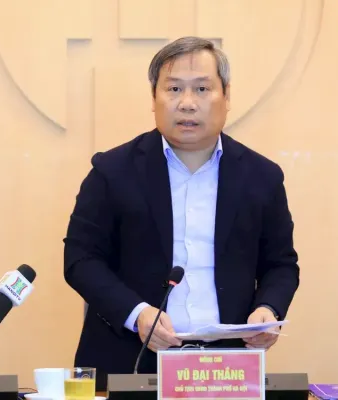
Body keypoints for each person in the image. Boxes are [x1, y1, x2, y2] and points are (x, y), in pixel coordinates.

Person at [63, 36, 299, 391]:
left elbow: (281, 264)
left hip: (226, 368)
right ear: (154, 98)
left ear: (226, 96)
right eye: (174, 89)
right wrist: (137, 314)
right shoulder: (112, 171)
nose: (187, 103)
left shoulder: (262, 177)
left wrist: (269, 309)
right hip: (129, 361)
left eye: (202, 89)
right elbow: (81, 260)